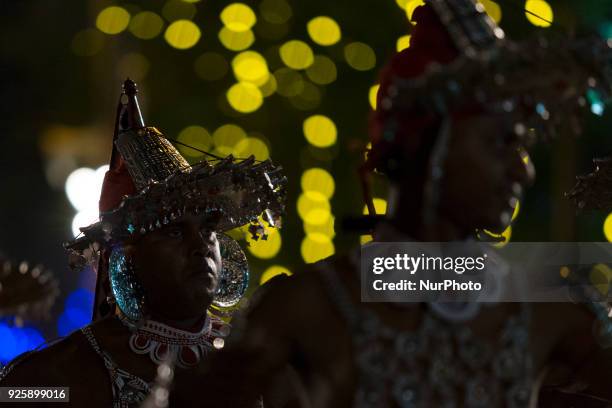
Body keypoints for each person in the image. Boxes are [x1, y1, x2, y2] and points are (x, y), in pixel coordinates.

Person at [183, 1, 612, 407]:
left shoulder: (549, 310)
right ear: (429, 142)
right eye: (501, 141)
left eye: (523, 146)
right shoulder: (308, 307)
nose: (523, 171)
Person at [0, 79, 286, 408]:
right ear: (129, 255)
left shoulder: (258, 360)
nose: (201, 245)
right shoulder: (58, 376)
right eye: (175, 232)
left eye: (207, 228)